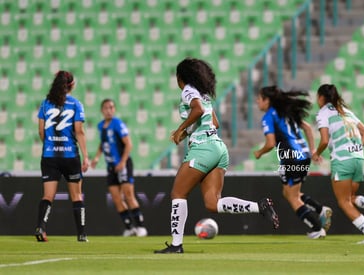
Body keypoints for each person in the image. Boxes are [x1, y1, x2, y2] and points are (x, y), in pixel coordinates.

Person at [154, 58, 279, 254]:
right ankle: (260, 206)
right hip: (218, 148)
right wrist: (185, 132)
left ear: (181, 77)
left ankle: (177, 245)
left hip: (203, 148)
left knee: (178, 193)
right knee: (213, 203)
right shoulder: (204, 95)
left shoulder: (188, 90)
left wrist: (180, 129)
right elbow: (214, 123)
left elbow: (197, 110)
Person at [254, 85, 332, 239]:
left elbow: (270, 143)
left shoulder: (269, 117)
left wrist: (259, 152)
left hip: (292, 158)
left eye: (259, 98)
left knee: (292, 197)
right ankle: (320, 209)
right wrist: (312, 151)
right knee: (289, 192)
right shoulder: (286, 112)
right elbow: (308, 128)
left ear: (267, 100)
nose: (257, 101)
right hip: (302, 156)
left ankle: (316, 229)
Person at [312, 84, 364, 244]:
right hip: (358, 159)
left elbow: (324, 140)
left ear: (322, 98)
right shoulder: (346, 111)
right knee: (349, 197)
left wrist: (316, 153)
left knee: (343, 202)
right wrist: (354, 149)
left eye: (317, 97)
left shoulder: (323, 113)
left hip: (342, 161)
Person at [34, 70, 89, 242]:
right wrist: (86, 156)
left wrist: (50, 144)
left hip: (49, 156)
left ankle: (40, 228)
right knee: (77, 196)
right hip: (70, 156)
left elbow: (41, 132)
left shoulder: (45, 104)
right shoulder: (75, 104)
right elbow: (79, 131)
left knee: (48, 196)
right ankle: (81, 234)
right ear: (72, 85)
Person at [91, 99, 147, 237]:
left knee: (129, 195)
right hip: (111, 166)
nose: (109, 110)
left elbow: (128, 144)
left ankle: (140, 227)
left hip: (123, 164)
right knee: (116, 198)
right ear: (101, 110)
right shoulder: (100, 126)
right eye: (106, 108)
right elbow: (102, 144)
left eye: (111, 107)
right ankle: (129, 228)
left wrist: (122, 162)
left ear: (114, 109)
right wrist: (97, 157)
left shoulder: (118, 124)